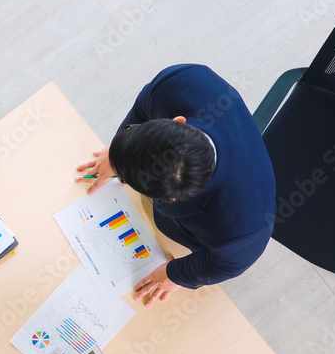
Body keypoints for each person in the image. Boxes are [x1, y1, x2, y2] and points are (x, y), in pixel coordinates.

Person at [78, 64, 275, 307]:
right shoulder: (181, 82)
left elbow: (225, 265)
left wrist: (175, 274)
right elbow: (143, 107)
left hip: (193, 233)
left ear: (171, 199)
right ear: (178, 121)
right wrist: (118, 154)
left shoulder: (241, 231)